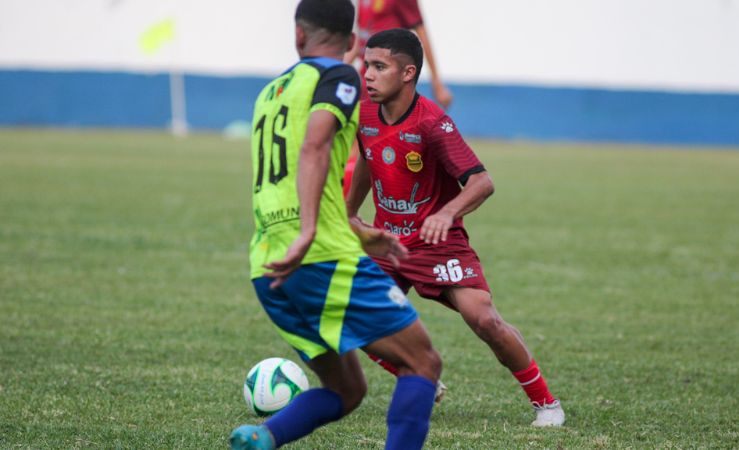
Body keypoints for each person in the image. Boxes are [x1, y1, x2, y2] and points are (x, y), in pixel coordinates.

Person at [229, 3, 442, 449]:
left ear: (298, 36)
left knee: (348, 390)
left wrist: (357, 231)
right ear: (352, 43)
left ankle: (264, 436)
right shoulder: (338, 77)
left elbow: (292, 179)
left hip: (267, 266)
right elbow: (315, 146)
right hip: (317, 256)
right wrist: (311, 233)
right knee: (422, 363)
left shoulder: (270, 93)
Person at [346, 28, 566, 428]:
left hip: (437, 243)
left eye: (380, 67)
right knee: (350, 316)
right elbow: (367, 159)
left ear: (408, 73)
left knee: (484, 320)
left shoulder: (432, 123)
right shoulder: (363, 115)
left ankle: (546, 403)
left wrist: (446, 214)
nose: (369, 75)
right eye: (367, 66)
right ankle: (419, 379)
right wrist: (347, 212)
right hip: (388, 242)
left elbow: (483, 182)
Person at [346, 0, 452, 109]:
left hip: (388, 80)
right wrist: (338, 68)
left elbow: (421, 33)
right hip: (366, 78)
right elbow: (362, 37)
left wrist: (437, 83)